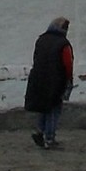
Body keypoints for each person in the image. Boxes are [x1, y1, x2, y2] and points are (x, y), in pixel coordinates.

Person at [23, 15, 73, 150]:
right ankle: (49, 138)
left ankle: (40, 131)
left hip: (39, 78)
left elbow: (36, 58)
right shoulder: (63, 44)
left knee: (43, 107)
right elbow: (67, 64)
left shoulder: (41, 40)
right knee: (53, 109)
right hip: (56, 80)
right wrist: (68, 81)